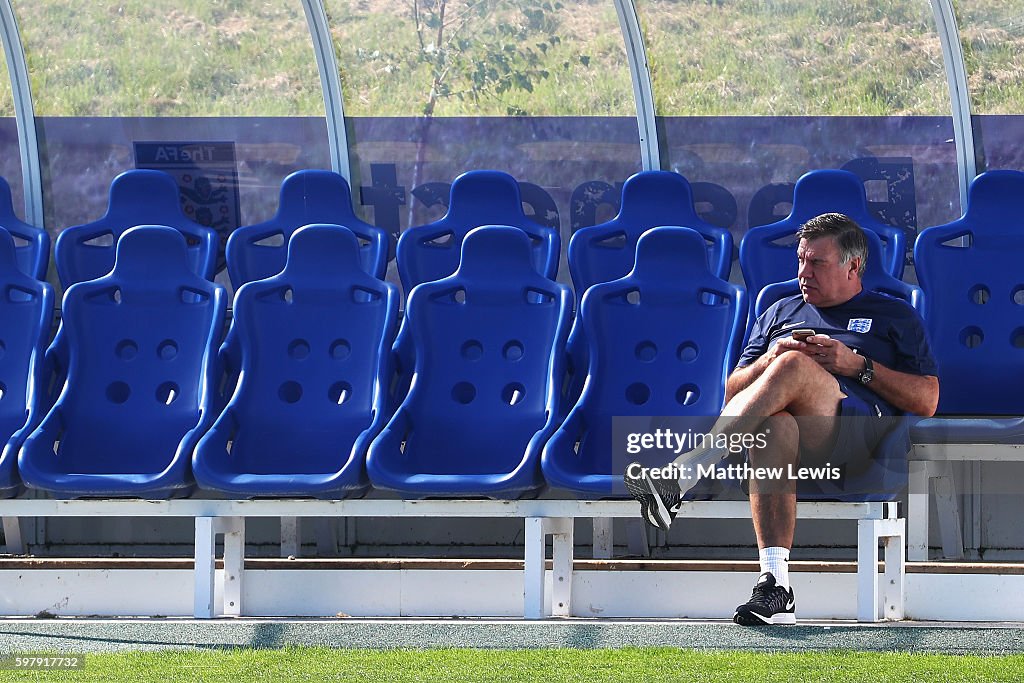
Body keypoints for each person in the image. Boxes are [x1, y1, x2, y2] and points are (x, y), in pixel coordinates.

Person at [624, 212, 938, 625]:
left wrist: (857, 365)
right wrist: (769, 360)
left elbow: (928, 399)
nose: (803, 273)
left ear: (853, 266)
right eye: (800, 261)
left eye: (817, 263)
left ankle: (684, 474)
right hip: (785, 444)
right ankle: (775, 584)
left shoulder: (894, 314)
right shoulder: (778, 310)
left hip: (857, 437)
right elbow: (734, 390)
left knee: (792, 365)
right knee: (775, 422)